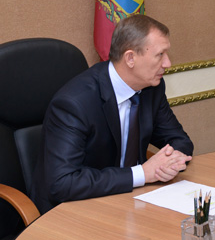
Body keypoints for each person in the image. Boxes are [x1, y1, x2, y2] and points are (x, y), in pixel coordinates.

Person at [32, 15, 194, 213]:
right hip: (74, 209)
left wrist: (169, 162)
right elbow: (63, 183)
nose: (167, 63)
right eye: (160, 55)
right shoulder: (74, 104)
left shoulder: (151, 88)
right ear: (130, 58)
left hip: (129, 200)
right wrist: (142, 173)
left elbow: (180, 140)